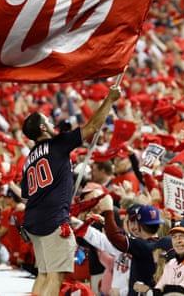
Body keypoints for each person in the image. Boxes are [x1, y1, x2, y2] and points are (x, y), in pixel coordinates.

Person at [20, 87, 120, 296]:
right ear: (42, 128)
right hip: (53, 220)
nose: (51, 122)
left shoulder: (29, 158)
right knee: (55, 276)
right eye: (47, 120)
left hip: (33, 219)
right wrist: (109, 100)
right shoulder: (58, 143)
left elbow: (25, 195)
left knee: (43, 274)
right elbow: (92, 126)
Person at [155, 219, 184, 294]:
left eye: (182, 236)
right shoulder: (171, 263)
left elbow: (182, 292)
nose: (178, 241)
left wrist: (165, 288)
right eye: (174, 237)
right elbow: (157, 291)